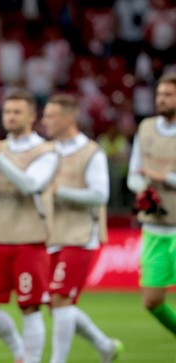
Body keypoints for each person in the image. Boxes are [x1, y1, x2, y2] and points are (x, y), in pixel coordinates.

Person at [0, 89, 59, 363]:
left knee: (30, 307)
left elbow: (29, 185)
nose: (11, 117)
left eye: (17, 112)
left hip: (29, 240)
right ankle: (19, 350)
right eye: (7, 112)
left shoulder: (47, 151)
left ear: (32, 116)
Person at [42, 94, 123, 363]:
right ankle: (105, 345)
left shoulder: (91, 152)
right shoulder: (48, 151)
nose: (45, 120)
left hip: (79, 234)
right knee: (56, 305)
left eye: (51, 115)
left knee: (62, 299)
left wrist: (60, 191)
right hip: (52, 233)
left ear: (68, 118)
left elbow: (100, 195)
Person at [127, 73, 176, 338]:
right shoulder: (145, 127)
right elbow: (135, 172)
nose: (162, 100)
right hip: (155, 227)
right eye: (160, 94)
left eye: (168, 95)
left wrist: (164, 177)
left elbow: (154, 173)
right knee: (152, 301)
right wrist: (142, 188)